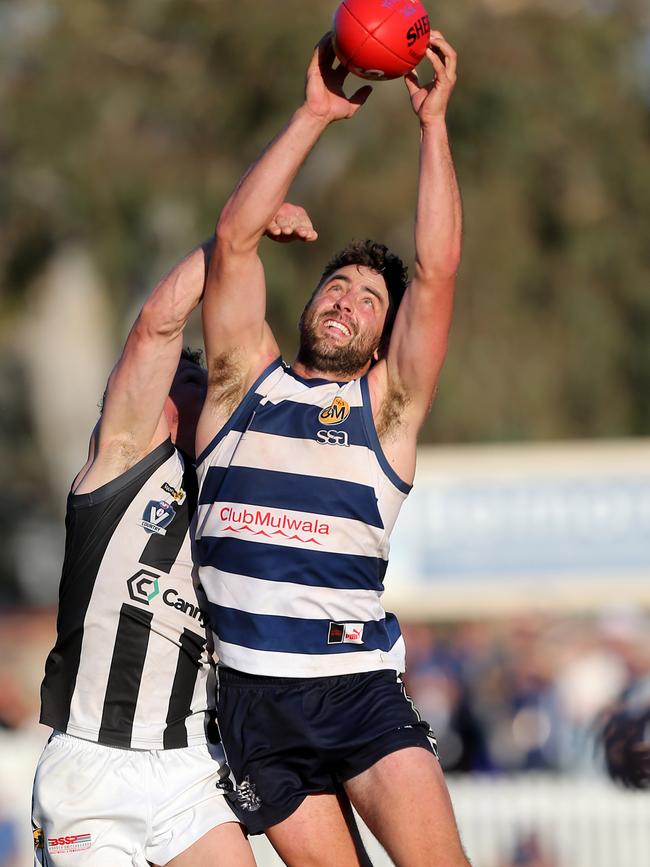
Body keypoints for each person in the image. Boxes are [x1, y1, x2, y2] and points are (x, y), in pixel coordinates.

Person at [194, 29, 469, 867]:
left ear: (388, 338)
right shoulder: (244, 384)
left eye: (368, 300)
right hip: (252, 708)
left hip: (356, 694)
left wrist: (433, 127)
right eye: (336, 286)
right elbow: (234, 241)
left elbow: (435, 268)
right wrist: (314, 112)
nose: (346, 300)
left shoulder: (384, 407)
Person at [32, 204, 316, 867]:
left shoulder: (240, 505)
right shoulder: (122, 466)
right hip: (93, 766)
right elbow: (158, 326)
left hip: (191, 764)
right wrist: (230, 242)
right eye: (183, 381)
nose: (187, 393)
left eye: (199, 384)